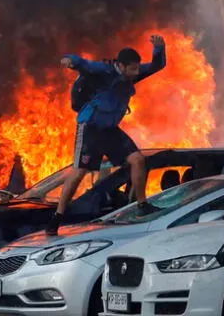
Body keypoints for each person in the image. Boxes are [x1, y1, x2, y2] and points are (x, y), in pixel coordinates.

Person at [45, 35, 167, 235]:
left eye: (138, 68)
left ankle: (142, 206)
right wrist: (70, 60)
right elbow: (83, 64)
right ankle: (56, 218)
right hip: (91, 128)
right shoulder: (104, 72)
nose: (137, 73)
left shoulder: (133, 73)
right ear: (121, 66)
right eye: (133, 69)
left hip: (110, 131)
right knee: (79, 172)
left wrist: (159, 48)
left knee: (138, 160)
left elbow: (157, 65)